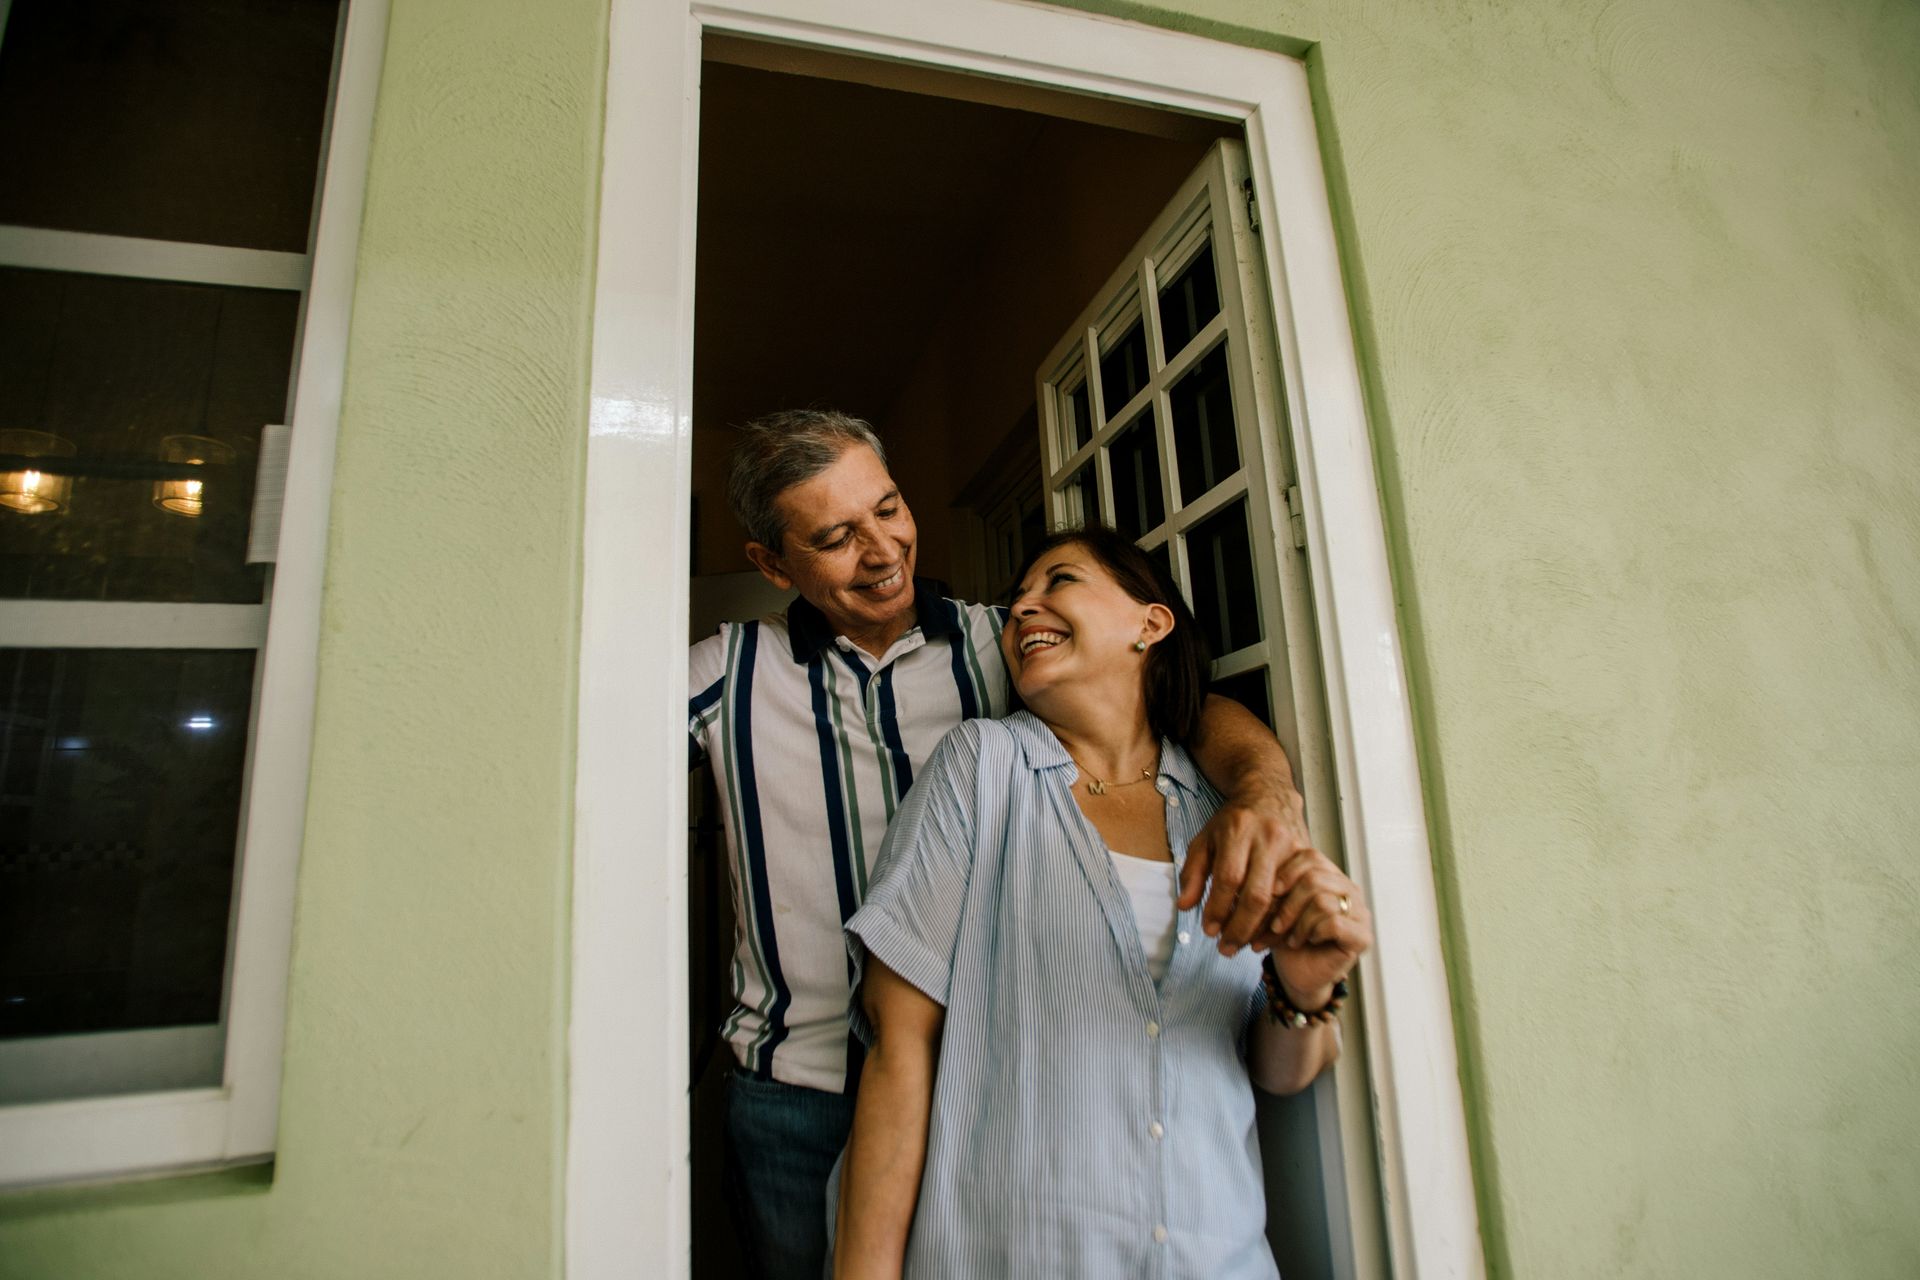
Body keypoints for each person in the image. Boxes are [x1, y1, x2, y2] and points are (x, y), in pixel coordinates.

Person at [689, 411, 1318, 1280]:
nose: (882, 551)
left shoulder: (1008, 638)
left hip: (982, 1084)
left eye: (890, 508)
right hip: (796, 1088)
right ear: (771, 564)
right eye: (836, 537)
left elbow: (1178, 704)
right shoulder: (725, 671)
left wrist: (1264, 793)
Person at [831, 526, 1373, 1279]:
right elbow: (899, 1048)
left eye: (1059, 581)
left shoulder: (1227, 816)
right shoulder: (983, 768)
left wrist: (1305, 984)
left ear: (1150, 624)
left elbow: (1279, 1074)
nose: (1024, 608)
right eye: (1018, 597)